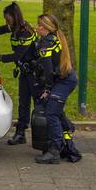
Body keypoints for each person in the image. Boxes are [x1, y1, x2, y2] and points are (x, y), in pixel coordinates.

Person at [0, 2, 39, 145]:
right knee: (23, 103)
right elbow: (2, 29)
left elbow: (17, 55)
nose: (6, 21)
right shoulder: (14, 27)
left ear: (14, 17)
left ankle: (46, 134)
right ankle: (21, 133)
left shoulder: (26, 31)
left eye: (8, 18)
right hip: (25, 71)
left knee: (39, 104)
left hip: (35, 73)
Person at [32, 13, 78, 164]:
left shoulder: (46, 44)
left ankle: (54, 151)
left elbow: (47, 71)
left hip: (64, 81)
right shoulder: (53, 38)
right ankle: (68, 127)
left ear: (45, 28)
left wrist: (47, 89)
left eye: (38, 25)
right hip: (64, 79)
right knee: (54, 109)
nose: (36, 28)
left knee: (51, 113)